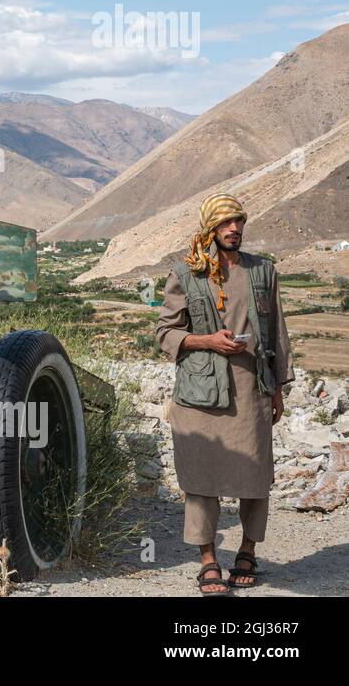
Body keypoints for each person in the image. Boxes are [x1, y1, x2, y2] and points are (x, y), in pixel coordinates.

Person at [155, 193, 292, 595]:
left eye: (238, 221)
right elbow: (165, 334)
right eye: (225, 223)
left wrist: (279, 389)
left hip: (253, 388)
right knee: (201, 478)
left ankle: (247, 551)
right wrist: (208, 341)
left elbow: (278, 334)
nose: (234, 229)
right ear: (209, 228)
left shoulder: (263, 271)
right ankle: (208, 559)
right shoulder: (186, 274)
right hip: (199, 393)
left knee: (254, 473)